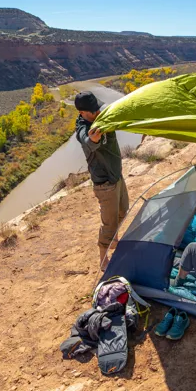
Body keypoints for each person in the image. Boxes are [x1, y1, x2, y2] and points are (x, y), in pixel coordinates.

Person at [74, 91, 129, 270]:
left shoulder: (102, 117)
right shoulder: (83, 127)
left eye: (97, 108)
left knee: (123, 211)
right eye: (93, 111)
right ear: (82, 113)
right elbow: (85, 139)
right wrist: (93, 139)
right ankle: (103, 260)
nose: (98, 112)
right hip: (105, 184)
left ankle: (113, 240)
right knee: (109, 224)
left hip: (116, 176)